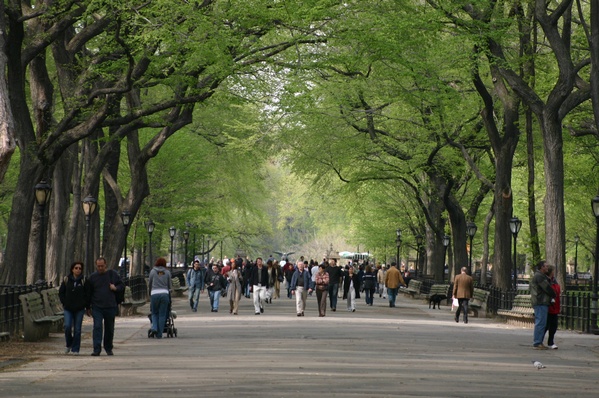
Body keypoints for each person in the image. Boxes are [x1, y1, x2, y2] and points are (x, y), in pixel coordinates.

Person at [85, 257, 124, 356]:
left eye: (102, 266)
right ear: (96, 265)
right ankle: (96, 348)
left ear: (105, 264)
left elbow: (121, 286)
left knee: (109, 328)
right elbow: (88, 292)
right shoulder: (93, 277)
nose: (100, 268)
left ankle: (108, 347)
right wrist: (88, 306)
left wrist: (115, 288)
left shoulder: (112, 274)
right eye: (98, 266)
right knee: (97, 326)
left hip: (110, 305)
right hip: (97, 306)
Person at [58, 261, 87, 355]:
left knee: (77, 329)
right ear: (72, 269)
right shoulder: (67, 280)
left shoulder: (84, 281)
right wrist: (64, 302)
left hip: (79, 309)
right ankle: (69, 343)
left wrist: (84, 304)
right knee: (67, 326)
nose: (78, 270)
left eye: (80, 268)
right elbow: (61, 292)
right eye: (76, 268)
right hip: (68, 308)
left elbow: (87, 294)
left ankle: (75, 349)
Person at [531, 260, 556, 349]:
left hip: (541, 301)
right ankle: (537, 342)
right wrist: (554, 294)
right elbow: (547, 288)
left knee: (541, 322)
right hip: (540, 301)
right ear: (541, 267)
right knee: (541, 323)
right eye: (545, 266)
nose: (547, 268)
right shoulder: (539, 276)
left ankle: (538, 342)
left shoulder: (541, 276)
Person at [148, 257, 172, 338]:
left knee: (154, 313)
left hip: (154, 293)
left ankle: (154, 327)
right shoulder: (167, 272)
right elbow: (169, 285)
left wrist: (149, 293)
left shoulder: (152, 271)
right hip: (164, 293)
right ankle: (159, 334)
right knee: (162, 314)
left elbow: (150, 283)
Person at [544, 265, 561, 349]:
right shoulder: (546, 280)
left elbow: (558, 290)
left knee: (554, 325)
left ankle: (551, 342)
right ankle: (539, 341)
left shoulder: (554, 281)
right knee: (546, 325)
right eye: (553, 271)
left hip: (555, 305)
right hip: (549, 305)